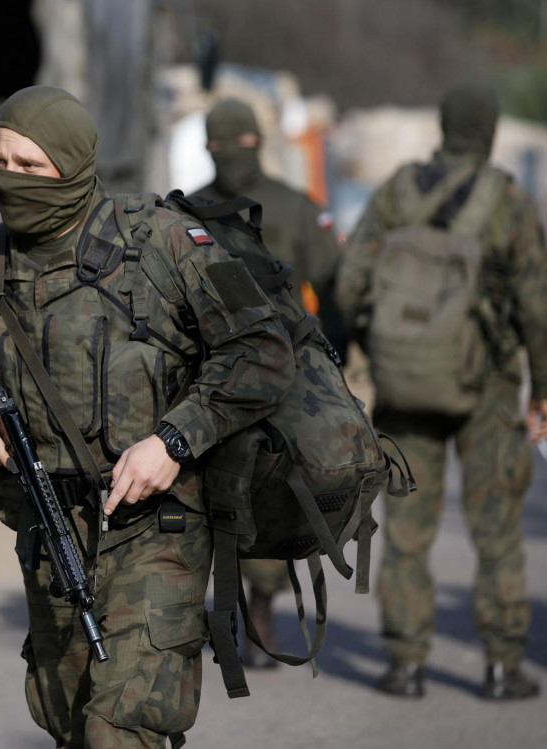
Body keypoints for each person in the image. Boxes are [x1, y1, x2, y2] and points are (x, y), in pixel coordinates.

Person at [0, 85, 294, 747]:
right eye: (0, 162)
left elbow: (262, 351)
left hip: (158, 528)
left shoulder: (164, 242)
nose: (10, 179)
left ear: (72, 164)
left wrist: (174, 440)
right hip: (49, 534)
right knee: (69, 725)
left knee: (120, 727)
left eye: (30, 166)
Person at [335, 82, 547, 700]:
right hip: (488, 388)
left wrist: (380, 346)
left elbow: (350, 281)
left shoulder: (397, 191)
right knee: (496, 529)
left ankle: (405, 665)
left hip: (406, 385)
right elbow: (537, 306)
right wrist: (543, 386)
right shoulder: (507, 201)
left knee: (406, 531)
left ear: (443, 126)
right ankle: (502, 666)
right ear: (488, 132)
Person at [190, 97, 344, 668]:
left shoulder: (184, 212)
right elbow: (334, 285)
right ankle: (258, 613)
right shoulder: (298, 207)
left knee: (213, 489)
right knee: (271, 490)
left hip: (206, 376)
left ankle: (221, 614)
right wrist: (335, 363)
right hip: (281, 376)